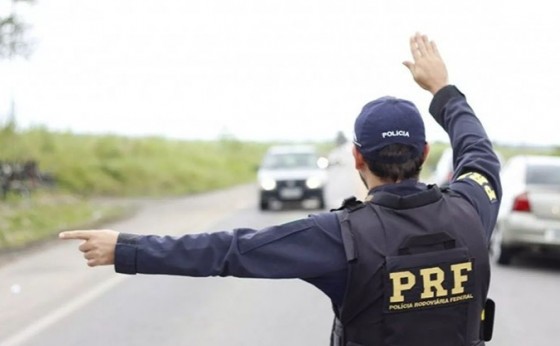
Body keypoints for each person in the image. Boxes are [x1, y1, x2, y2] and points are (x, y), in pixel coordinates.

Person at [60, 33, 502, 346]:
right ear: (424, 151)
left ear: (357, 158)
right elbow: (478, 152)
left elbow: (229, 251)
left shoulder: (343, 236)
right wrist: (443, 90)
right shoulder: (471, 208)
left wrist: (125, 249)